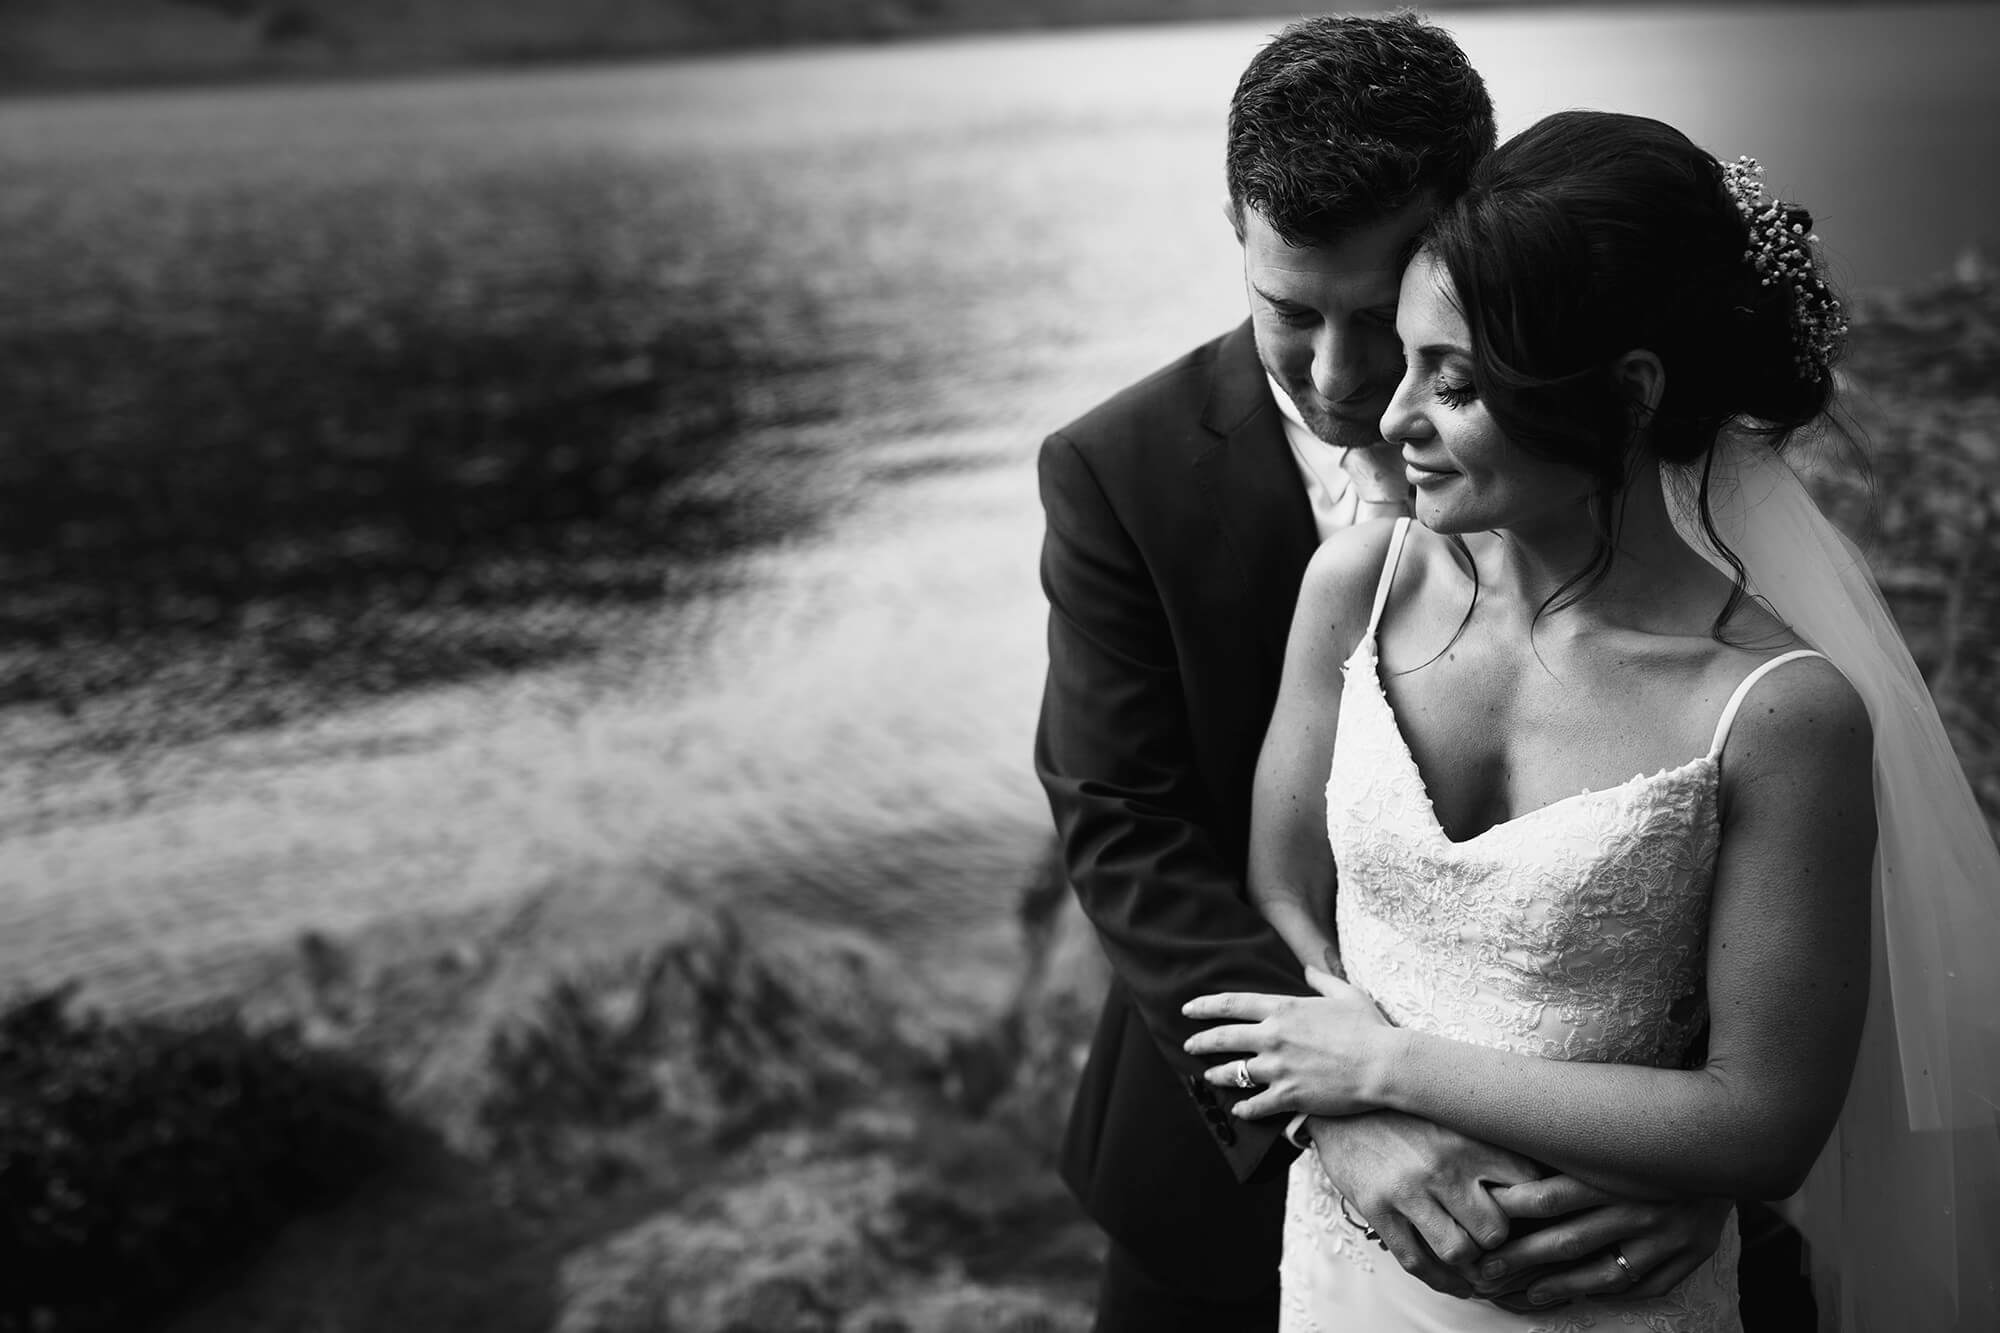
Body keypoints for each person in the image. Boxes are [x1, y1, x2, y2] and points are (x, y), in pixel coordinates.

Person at [1183, 110, 2000, 1331]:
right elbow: (1280, 886)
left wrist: (1386, 1064)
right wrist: (1353, 1119)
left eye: (1451, 383)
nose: (1387, 417)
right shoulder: (1356, 586)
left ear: (1624, 395)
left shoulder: (1774, 715)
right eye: (1407, 362)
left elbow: (1760, 1120)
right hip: (1347, 1268)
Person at [1035, 18, 1766, 1328]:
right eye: (1288, 315)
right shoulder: (1115, 471)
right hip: (1220, 1172)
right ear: (1234, 231)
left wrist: (1676, 1161)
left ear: (1472, 225)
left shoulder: (1622, 458)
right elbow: (1129, 835)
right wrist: (1345, 1116)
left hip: (1595, 1214)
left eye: (1380, 318)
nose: (1340, 378)